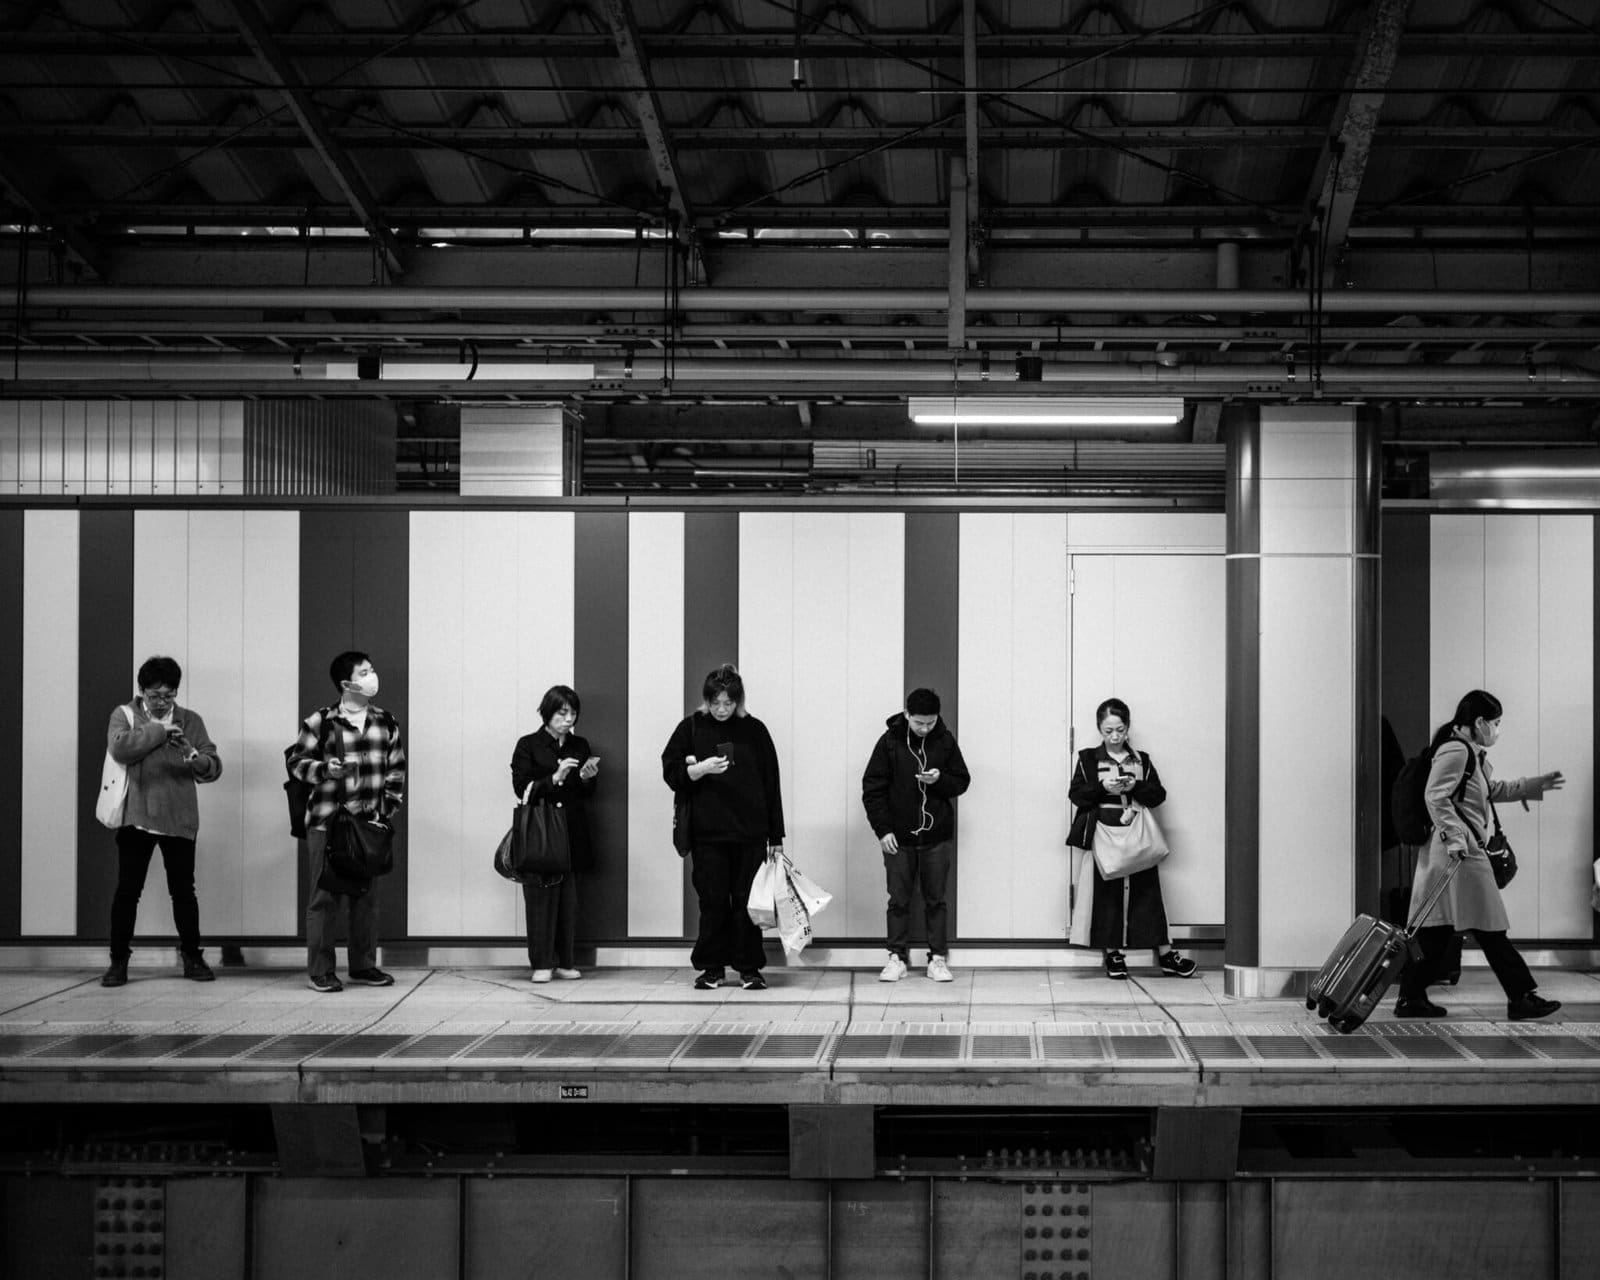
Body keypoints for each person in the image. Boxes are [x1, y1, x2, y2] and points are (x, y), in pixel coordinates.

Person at [1394, 689, 1564, 1020]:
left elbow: (1491, 790)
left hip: (1454, 855)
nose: (1498, 729)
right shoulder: (1456, 751)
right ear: (1480, 722)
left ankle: (1411, 997)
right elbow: (1435, 796)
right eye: (1496, 723)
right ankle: (1521, 997)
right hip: (1459, 856)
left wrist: (1531, 785)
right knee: (1490, 927)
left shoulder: (1470, 753)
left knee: (1438, 930)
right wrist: (1455, 838)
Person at [287, 651, 406, 993]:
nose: (373, 676)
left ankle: (363, 965)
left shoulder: (386, 721)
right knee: (324, 898)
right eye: (365, 672)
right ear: (346, 683)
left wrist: (386, 810)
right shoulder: (321, 721)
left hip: (368, 823)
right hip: (328, 821)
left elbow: (396, 768)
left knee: (365, 898)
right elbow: (297, 762)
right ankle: (321, 970)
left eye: (372, 669)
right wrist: (326, 769)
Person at [100, 656, 222, 987]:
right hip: (136, 817)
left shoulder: (190, 720)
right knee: (128, 891)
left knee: (184, 892)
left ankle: (193, 957)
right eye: (155, 695)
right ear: (142, 691)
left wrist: (191, 752)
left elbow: (213, 767)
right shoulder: (124, 715)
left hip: (180, 818)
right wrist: (157, 730)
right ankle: (118, 961)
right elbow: (120, 749)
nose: (162, 702)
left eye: (168, 695)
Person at [661, 664, 784, 991]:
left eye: (728, 703)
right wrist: (699, 770)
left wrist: (777, 836)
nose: (721, 709)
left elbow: (772, 784)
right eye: (715, 703)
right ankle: (712, 967)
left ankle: (749, 967)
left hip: (750, 832)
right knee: (712, 901)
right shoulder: (690, 728)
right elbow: (670, 772)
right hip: (707, 833)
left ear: (738, 701)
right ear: (706, 700)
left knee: (748, 902)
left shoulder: (754, 729)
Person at [1066, 697, 1197, 980]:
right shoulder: (1088, 758)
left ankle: (1166, 954)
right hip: (1104, 831)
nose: (1115, 736)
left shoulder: (1142, 760)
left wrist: (1134, 785)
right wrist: (1103, 787)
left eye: (1120, 730)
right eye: (1108, 731)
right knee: (1107, 894)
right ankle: (1113, 954)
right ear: (1100, 729)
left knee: (1148, 893)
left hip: (1137, 832)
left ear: (1128, 728)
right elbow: (1076, 794)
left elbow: (1158, 795)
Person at [861, 688, 971, 982]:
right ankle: (896, 957)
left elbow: (962, 781)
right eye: (919, 722)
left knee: (936, 899)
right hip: (898, 837)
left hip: (937, 837)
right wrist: (882, 830)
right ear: (907, 715)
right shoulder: (889, 743)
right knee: (898, 899)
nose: (924, 728)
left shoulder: (945, 740)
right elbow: (872, 789)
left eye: (930, 722)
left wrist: (939, 780)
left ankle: (937, 958)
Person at [511, 685, 599, 983]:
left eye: (573, 713)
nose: (568, 719)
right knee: (539, 900)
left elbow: (587, 792)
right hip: (541, 829)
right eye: (562, 713)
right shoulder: (528, 744)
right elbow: (521, 789)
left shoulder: (579, 744)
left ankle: (566, 960)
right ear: (547, 712)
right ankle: (541, 962)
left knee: (568, 901)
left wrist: (586, 778)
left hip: (571, 829)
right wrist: (554, 778)